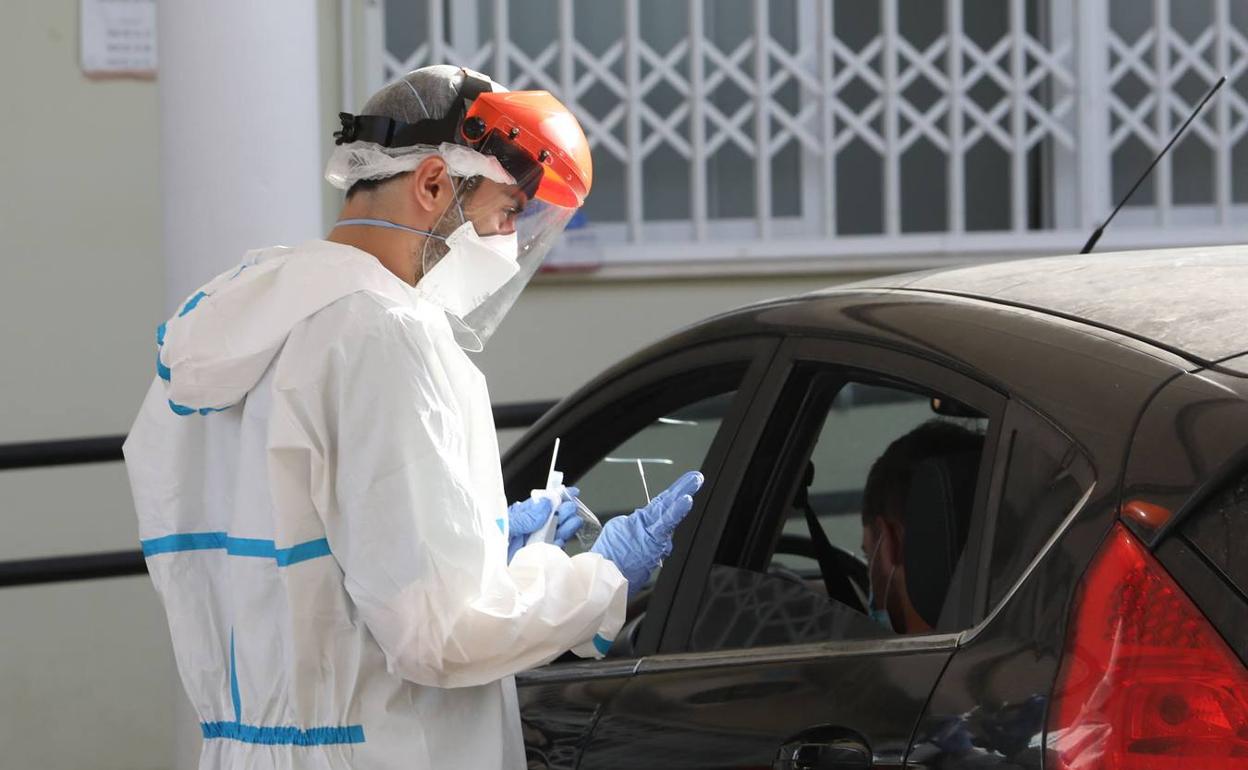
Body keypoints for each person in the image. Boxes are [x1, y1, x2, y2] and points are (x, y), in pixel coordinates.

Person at [124, 64, 703, 769]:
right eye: (509, 211)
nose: (509, 243)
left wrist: (486, 555)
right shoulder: (385, 337)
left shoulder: (231, 321)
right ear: (433, 183)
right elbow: (442, 635)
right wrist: (598, 579)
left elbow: (327, 576)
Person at [860, 420, 984, 634]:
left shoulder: (900, 667)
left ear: (892, 543)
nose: (869, 578)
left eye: (868, 557)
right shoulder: (1035, 644)